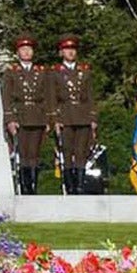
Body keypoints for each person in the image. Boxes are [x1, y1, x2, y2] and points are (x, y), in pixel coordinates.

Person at [0, 35, 53, 195]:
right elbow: (7, 97)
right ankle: (25, 187)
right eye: (23, 49)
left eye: (29, 49)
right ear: (18, 53)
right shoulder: (12, 72)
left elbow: (47, 96)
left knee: (35, 154)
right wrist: (10, 119)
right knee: (22, 154)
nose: (27, 52)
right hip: (20, 117)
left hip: (37, 117)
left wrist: (49, 118)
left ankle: (34, 186)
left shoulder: (41, 72)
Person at [51, 36, 98, 196]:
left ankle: (79, 186)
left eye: (73, 49)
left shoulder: (84, 71)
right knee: (67, 152)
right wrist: (55, 120)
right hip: (65, 116)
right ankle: (69, 186)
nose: (71, 52)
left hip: (83, 116)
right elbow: (52, 98)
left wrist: (93, 118)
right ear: (61, 52)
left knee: (81, 152)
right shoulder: (56, 72)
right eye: (67, 50)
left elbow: (91, 96)